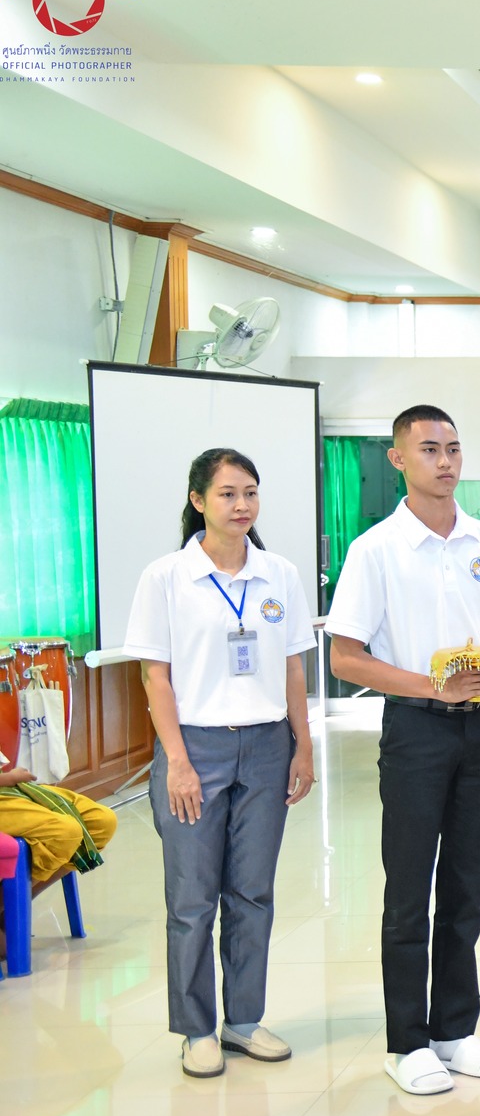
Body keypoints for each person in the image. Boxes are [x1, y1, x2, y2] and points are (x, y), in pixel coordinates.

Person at [327, 406, 480, 1097]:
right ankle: (405, 1040)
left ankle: (455, 1029)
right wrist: (430, 687)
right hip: (414, 729)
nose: (446, 461)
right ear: (398, 459)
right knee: (409, 887)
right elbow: (346, 656)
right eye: (430, 449)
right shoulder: (376, 549)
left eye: (455, 449)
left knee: (470, 881)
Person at [123, 448, 315, 1078]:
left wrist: (302, 744)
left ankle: (243, 1021)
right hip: (196, 748)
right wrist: (176, 763)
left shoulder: (280, 574)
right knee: (191, 898)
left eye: (251, 493)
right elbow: (156, 678)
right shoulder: (166, 578)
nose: (241, 506)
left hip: (265, 747)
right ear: (198, 501)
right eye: (228, 494)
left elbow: (292, 665)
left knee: (253, 892)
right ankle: (196, 1027)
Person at [0, 754, 116, 888]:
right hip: (6, 784)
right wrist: (9, 778)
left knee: (102, 821)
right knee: (66, 833)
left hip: (9, 786)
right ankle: (10, 902)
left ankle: (26, 896)